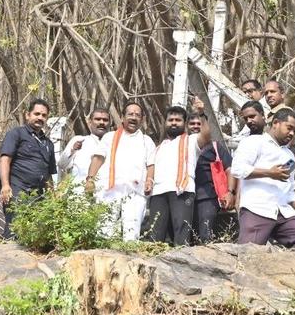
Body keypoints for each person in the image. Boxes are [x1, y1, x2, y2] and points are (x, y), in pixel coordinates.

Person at [228, 109, 295, 248]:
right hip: (257, 208)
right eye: (289, 128)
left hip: (283, 210)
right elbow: (237, 169)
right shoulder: (254, 142)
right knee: (249, 253)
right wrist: (269, 173)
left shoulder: (289, 155)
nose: (292, 133)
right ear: (275, 123)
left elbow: (289, 187)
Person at [85, 101, 155, 240]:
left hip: (135, 192)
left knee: (131, 234)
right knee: (104, 232)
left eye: (137, 115)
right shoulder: (109, 137)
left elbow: (150, 165)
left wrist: (149, 180)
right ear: (122, 117)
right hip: (109, 191)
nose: (133, 117)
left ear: (142, 119)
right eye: (130, 114)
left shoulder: (146, 141)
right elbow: (98, 158)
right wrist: (90, 179)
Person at [146, 106, 210, 246]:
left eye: (178, 120)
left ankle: (182, 265)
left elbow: (206, 135)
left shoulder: (191, 141)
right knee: (155, 235)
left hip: (182, 191)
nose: (174, 123)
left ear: (185, 124)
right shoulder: (159, 147)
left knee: (181, 233)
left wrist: (201, 114)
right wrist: (148, 182)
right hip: (158, 193)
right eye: (170, 120)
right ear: (165, 123)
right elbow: (151, 168)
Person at [0, 99, 58, 205]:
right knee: (16, 221)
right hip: (17, 193)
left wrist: (53, 198)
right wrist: (5, 185)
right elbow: (5, 160)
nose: (40, 117)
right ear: (27, 115)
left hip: (39, 197)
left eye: (44, 115)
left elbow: (48, 175)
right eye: (37, 114)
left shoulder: (48, 144)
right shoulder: (16, 134)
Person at [193, 111, 234, 243]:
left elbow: (230, 170)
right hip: (185, 197)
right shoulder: (182, 147)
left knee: (206, 234)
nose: (195, 126)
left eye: (198, 124)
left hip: (208, 197)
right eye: (192, 124)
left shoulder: (215, 147)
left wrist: (230, 192)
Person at [263, 80, 295, 192]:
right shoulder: (270, 115)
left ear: (282, 94)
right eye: (266, 93)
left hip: (281, 164)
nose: (269, 95)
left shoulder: (286, 114)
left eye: (272, 91)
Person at [57, 108, 111, 184]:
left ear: (109, 123)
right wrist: (73, 150)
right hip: (80, 193)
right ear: (90, 122)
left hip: (106, 192)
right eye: (98, 119)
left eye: (105, 120)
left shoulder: (114, 144)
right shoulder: (79, 140)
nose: (101, 122)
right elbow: (62, 165)